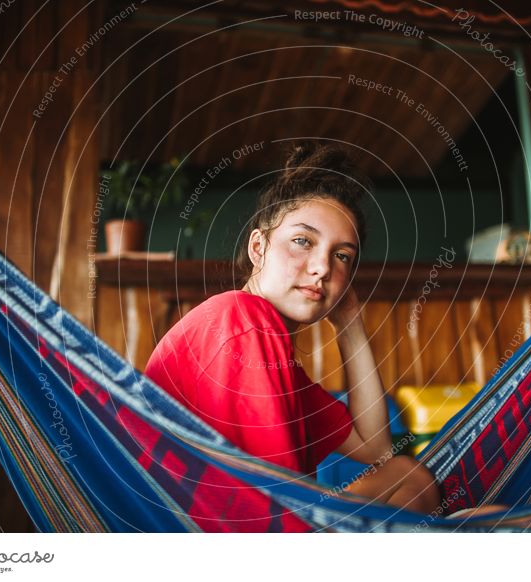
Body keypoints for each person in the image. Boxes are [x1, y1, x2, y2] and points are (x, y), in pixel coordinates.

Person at [145, 142, 442, 515]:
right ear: (258, 247)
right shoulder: (239, 318)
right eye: (302, 241)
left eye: (341, 256)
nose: (322, 267)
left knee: (406, 476)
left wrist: (349, 324)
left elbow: (376, 449)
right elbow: (273, 508)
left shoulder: (275, 361)